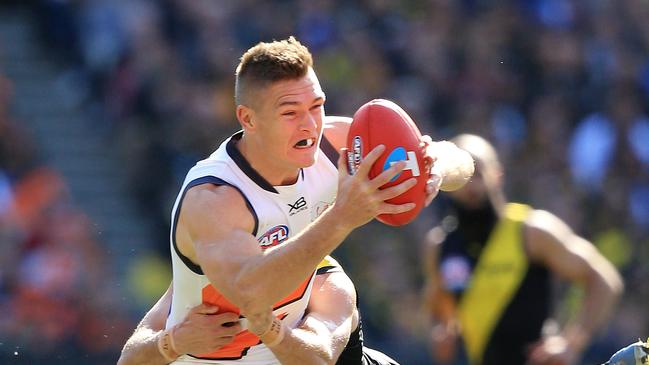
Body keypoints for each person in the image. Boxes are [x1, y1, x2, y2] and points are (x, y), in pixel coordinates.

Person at [118, 36, 473, 365]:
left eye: (316, 106)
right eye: (290, 112)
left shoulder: (336, 146)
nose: (310, 125)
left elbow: (461, 163)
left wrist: (435, 166)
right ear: (248, 119)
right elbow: (251, 292)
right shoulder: (215, 199)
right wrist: (172, 344)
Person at [422, 134, 624, 365]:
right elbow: (437, 304)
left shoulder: (530, 231)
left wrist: (571, 344)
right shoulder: (440, 246)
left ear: (497, 175)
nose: (470, 186)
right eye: (461, 178)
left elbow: (603, 279)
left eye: (477, 174)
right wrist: (441, 330)